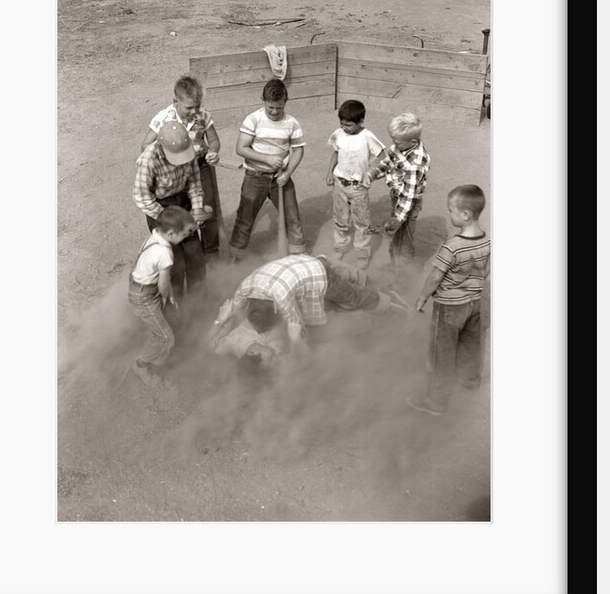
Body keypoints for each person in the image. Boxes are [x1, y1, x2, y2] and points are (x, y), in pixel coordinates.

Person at [209, 253, 400, 356]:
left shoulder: (283, 300)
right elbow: (229, 312)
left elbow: (300, 331)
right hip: (294, 266)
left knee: (353, 299)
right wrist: (220, 320)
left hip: (315, 273)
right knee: (334, 305)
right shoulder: (246, 289)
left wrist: (296, 339)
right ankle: (334, 267)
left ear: (277, 309)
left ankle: (388, 302)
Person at [407, 185, 491, 416]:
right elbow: (485, 271)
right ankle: (470, 380)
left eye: (450, 211)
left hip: (449, 309)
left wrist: (422, 298)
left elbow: (435, 276)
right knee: (471, 344)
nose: (447, 214)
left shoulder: (451, 246)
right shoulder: (487, 241)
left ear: (465, 215)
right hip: (474, 303)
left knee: (441, 353)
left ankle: (435, 401)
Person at [140, 75, 222, 261]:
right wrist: (165, 159)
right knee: (182, 209)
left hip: (199, 166)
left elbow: (214, 141)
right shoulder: (163, 119)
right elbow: (145, 145)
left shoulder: (204, 116)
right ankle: (178, 249)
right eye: (189, 107)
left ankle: (211, 250)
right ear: (175, 101)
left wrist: (214, 152)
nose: (194, 111)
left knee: (206, 210)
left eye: (197, 106)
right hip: (175, 171)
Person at [229, 79, 307, 262]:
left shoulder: (291, 123)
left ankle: (298, 255)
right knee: (245, 218)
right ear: (263, 100)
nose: (274, 111)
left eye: (278, 108)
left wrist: (287, 174)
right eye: (270, 107)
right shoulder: (254, 119)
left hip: (281, 177)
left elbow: (298, 150)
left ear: (285, 102)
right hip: (255, 177)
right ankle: (236, 256)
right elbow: (241, 148)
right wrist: (267, 159)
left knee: (292, 216)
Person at [133, 121, 210, 301]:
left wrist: (197, 209)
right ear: (161, 146)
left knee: (195, 255)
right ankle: (176, 303)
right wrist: (168, 218)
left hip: (182, 201)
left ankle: (198, 300)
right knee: (173, 261)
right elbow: (142, 196)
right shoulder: (148, 160)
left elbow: (194, 183)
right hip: (160, 208)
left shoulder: (188, 150)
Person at [127, 205, 198, 389]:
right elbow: (163, 284)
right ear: (173, 234)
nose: (187, 236)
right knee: (165, 337)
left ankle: (158, 351)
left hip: (139, 286)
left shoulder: (155, 235)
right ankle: (141, 366)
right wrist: (167, 296)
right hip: (145, 295)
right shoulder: (165, 252)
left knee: (162, 326)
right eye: (185, 233)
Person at [363, 112, 430, 270]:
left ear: (412, 141)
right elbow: (387, 162)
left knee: (404, 239)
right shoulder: (401, 146)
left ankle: (404, 272)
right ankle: (395, 265)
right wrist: (372, 174)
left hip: (409, 202)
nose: (394, 145)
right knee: (395, 236)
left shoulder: (416, 163)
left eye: (397, 143)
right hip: (397, 196)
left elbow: (408, 196)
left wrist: (398, 219)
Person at [326, 99, 385, 270]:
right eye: (342, 123)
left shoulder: (367, 137)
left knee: (362, 222)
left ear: (360, 122)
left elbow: (382, 157)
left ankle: (362, 251)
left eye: (348, 125)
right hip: (340, 185)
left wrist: (370, 174)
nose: (344, 127)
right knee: (340, 218)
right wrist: (329, 173)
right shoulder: (338, 134)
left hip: (358, 188)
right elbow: (336, 154)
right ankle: (340, 246)